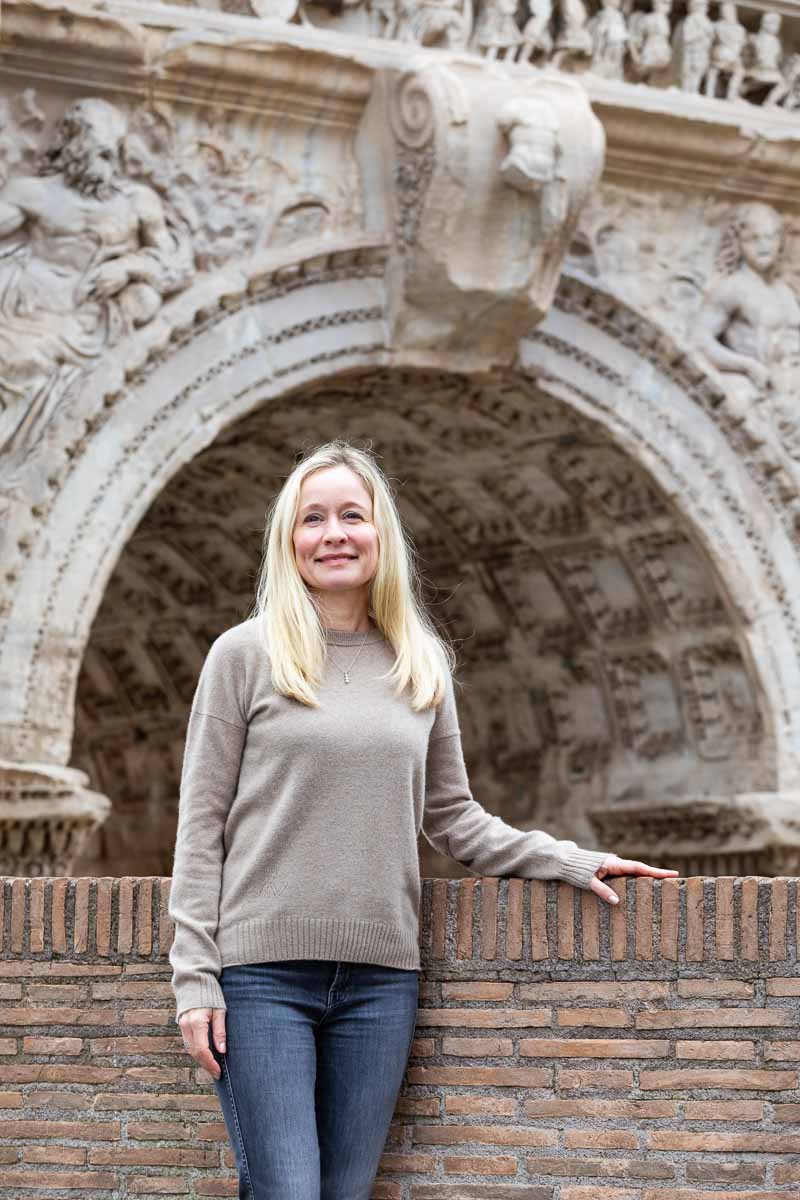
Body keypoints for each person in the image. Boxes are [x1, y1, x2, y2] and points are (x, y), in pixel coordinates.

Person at [168, 439, 679, 1200]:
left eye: (351, 515)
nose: (333, 533)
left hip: (382, 983)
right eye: (312, 519)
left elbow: (453, 816)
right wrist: (195, 981)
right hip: (261, 978)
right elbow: (200, 825)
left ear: (381, 534)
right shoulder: (243, 655)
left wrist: (569, 861)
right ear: (288, 541)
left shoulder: (420, 663)